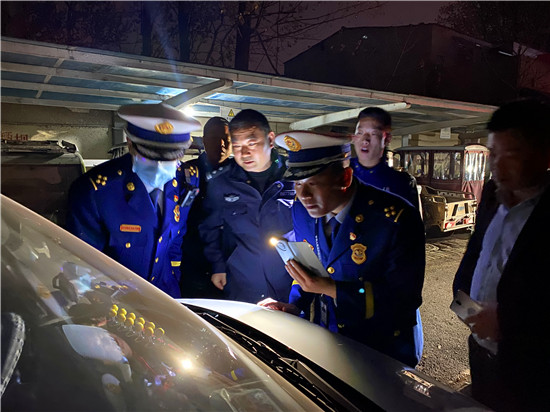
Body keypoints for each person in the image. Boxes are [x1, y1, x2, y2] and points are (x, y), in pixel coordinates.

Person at [260, 131, 425, 367]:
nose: (303, 195)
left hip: (383, 348)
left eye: (313, 183)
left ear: (345, 178)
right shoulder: (302, 211)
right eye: (297, 184)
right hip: (330, 340)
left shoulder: (394, 219)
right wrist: (295, 306)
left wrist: (332, 289)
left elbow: (403, 300)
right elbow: (311, 266)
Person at [452, 98, 550, 412]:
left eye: (512, 154)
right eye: (493, 153)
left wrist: (507, 323)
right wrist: (462, 298)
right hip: (480, 353)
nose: (498, 165)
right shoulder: (492, 197)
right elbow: (475, 252)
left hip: (530, 369)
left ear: (543, 154)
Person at [66, 103, 201, 298]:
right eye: (149, 158)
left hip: (167, 295)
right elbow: (82, 264)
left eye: (169, 159)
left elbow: (176, 238)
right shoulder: (95, 192)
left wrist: (174, 277)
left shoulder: (185, 181)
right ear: (130, 143)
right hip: (117, 303)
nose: (159, 167)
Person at [198, 109, 295, 303]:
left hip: (290, 282)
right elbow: (210, 228)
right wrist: (218, 266)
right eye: (237, 146)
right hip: (242, 283)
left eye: (252, 143)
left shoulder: (294, 177)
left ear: (270, 139)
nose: (244, 153)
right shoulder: (222, 183)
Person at [180, 117, 233, 298]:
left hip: (231, 269)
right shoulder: (186, 174)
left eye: (226, 139)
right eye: (214, 137)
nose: (221, 144)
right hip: (193, 267)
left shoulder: (241, 176)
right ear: (203, 140)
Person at [352, 107, 419, 209]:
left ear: (387, 139)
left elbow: (413, 218)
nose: (365, 140)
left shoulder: (401, 183)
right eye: (360, 133)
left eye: (373, 134)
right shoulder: (339, 174)